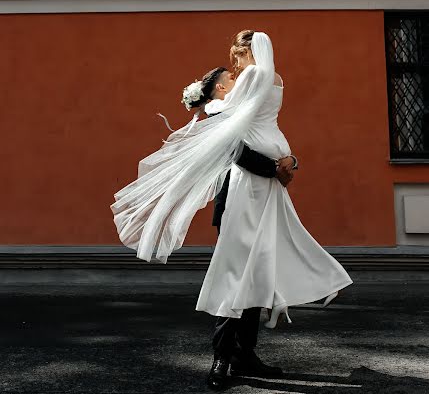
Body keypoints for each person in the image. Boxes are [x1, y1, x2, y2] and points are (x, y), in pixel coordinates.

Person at [110, 30, 352, 391]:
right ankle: (225, 355)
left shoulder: (255, 76)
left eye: (236, 58)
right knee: (240, 270)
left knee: (249, 271)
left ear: (248, 53)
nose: (235, 68)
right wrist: (283, 163)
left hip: (253, 188)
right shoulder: (274, 80)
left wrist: (206, 103)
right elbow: (252, 135)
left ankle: (240, 356)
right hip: (257, 186)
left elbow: (232, 121)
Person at [186, 66, 298, 387]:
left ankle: (246, 356)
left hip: (260, 205)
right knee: (233, 280)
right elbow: (238, 152)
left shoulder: (244, 110)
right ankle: (221, 358)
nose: (240, 79)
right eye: (232, 79)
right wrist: (275, 169)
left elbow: (268, 139)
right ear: (221, 88)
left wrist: (291, 160)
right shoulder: (220, 114)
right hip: (236, 207)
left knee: (255, 281)